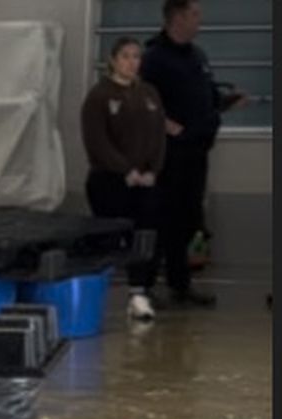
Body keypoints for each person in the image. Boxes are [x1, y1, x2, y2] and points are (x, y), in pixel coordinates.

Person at [139, 0, 246, 307]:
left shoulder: (197, 56)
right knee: (160, 220)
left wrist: (226, 101)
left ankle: (180, 284)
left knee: (187, 221)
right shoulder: (154, 58)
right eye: (195, 14)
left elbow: (207, 97)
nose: (201, 19)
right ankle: (144, 288)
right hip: (167, 156)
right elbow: (140, 99)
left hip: (197, 153)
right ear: (177, 17)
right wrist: (164, 122)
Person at [81, 37, 165, 322]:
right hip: (110, 181)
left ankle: (139, 294)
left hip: (145, 182)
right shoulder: (99, 96)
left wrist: (152, 170)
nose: (132, 62)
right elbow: (97, 141)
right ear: (114, 60)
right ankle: (91, 293)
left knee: (142, 237)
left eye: (136, 57)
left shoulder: (149, 94)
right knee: (109, 238)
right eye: (126, 56)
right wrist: (124, 170)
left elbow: (158, 137)